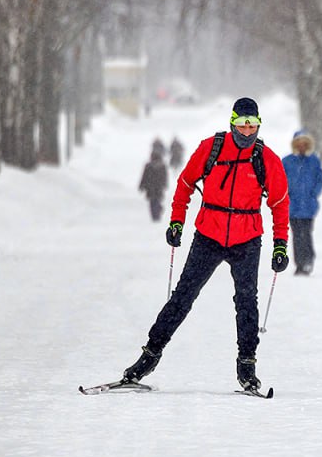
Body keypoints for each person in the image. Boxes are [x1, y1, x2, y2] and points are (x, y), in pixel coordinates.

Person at [120, 97, 290, 393]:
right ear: (232, 122)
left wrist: (280, 245)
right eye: (242, 124)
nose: (247, 132)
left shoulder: (266, 159)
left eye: (253, 126)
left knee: (247, 302)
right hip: (208, 236)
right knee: (182, 298)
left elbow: (279, 203)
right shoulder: (211, 149)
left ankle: (247, 368)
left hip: (247, 239)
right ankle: (147, 358)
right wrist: (176, 222)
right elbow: (185, 184)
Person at [282, 130, 322, 276]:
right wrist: (286, 195)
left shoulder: (314, 161)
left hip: (308, 207)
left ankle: (308, 260)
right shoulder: (287, 161)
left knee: (306, 233)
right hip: (293, 207)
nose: (301, 146)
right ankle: (299, 264)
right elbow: (280, 180)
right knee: (296, 235)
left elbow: (320, 178)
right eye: (299, 143)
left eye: (304, 143)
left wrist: (313, 194)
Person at [138, 146, 169, 221]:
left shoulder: (148, 165)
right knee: (157, 200)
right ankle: (157, 213)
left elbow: (144, 176)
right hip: (158, 187)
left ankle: (155, 215)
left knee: (152, 202)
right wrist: (164, 184)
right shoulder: (162, 166)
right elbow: (164, 176)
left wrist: (142, 185)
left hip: (150, 186)